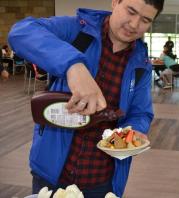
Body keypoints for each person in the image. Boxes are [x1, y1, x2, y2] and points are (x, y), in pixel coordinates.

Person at [8, 0, 164, 197]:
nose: (134, 24)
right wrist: (73, 66)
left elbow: (140, 112)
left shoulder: (141, 64)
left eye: (145, 20)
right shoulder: (76, 31)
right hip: (52, 171)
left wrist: (134, 132)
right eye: (130, 11)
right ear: (115, 2)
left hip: (101, 178)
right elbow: (21, 32)